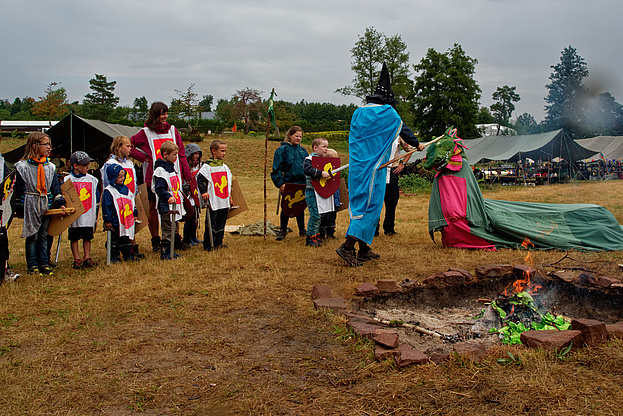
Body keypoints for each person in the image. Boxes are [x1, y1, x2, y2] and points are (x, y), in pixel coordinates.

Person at [336, 63, 424, 267]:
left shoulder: (358, 113)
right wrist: (417, 144)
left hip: (359, 168)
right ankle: (348, 247)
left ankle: (364, 248)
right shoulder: (387, 113)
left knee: (361, 204)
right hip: (374, 169)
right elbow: (404, 129)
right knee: (370, 207)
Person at [130, 102, 191, 252]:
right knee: (153, 209)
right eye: (162, 114)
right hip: (154, 176)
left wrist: (187, 174)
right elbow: (129, 145)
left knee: (175, 205)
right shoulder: (145, 132)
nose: (165, 117)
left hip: (173, 175)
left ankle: (175, 238)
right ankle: (156, 240)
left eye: (166, 113)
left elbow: (181, 153)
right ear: (155, 114)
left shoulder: (172, 131)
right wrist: (145, 157)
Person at [12, 132, 66, 276]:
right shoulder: (22, 167)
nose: (49, 147)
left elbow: (55, 188)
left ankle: (44, 262)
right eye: (45, 144)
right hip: (30, 203)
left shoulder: (50, 167)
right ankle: (32, 265)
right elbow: (19, 189)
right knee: (32, 236)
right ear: (35, 146)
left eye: (49, 144)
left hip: (45, 203)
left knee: (43, 235)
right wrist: (18, 207)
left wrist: (60, 202)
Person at [101, 135, 144, 258]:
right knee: (118, 227)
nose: (130, 148)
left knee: (129, 224)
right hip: (116, 200)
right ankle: (114, 250)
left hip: (128, 198)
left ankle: (131, 248)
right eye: (128, 146)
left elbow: (133, 182)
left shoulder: (130, 163)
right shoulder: (110, 164)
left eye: (131, 146)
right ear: (119, 147)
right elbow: (106, 183)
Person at [271, 126, 308, 241]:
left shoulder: (303, 151)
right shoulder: (281, 150)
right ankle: (283, 230)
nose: (298, 138)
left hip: (301, 183)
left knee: (300, 206)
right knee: (287, 206)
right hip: (288, 183)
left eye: (300, 136)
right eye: (296, 136)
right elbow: (276, 169)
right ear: (290, 135)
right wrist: (280, 184)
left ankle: (302, 229)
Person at [65, 151, 100, 269]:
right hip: (74, 216)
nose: (87, 167)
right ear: (75, 166)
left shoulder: (92, 180)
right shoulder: (67, 180)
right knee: (74, 237)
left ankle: (87, 257)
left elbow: (96, 197)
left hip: (88, 214)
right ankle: (77, 259)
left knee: (87, 237)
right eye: (84, 165)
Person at [152, 141, 185, 260]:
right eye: (174, 155)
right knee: (167, 229)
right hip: (166, 206)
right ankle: (165, 252)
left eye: (177, 154)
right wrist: (168, 197)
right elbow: (159, 189)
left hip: (175, 205)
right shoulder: (160, 170)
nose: (176, 157)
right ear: (165, 155)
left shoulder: (172, 168)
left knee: (174, 227)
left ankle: (172, 250)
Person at [197, 140, 232, 251]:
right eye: (222, 151)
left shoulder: (224, 167)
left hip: (223, 200)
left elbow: (229, 183)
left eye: (225, 151)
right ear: (213, 151)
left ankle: (218, 241)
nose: (224, 153)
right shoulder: (207, 167)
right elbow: (200, 179)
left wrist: (230, 197)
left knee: (221, 221)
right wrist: (203, 192)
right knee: (212, 222)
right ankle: (208, 243)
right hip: (213, 199)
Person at [376, 137, 413, 236]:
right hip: (378, 171)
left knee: (392, 201)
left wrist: (403, 163)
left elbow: (410, 149)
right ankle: (374, 229)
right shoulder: (378, 130)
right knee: (375, 201)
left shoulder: (398, 134)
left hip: (393, 170)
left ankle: (389, 229)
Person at [102, 164, 139, 262]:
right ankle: (114, 257)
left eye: (123, 176)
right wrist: (107, 220)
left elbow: (132, 202)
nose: (122, 179)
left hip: (126, 220)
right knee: (115, 239)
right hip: (115, 221)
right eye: (119, 177)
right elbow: (107, 207)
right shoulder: (108, 191)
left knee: (126, 239)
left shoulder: (126, 189)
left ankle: (128, 256)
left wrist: (134, 213)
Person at [303, 138, 332, 247]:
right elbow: (307, 170)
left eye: (327, 146)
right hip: (311, 191)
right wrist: (320, 173)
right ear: (315, 147)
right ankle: (310, 237)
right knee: (315, 215)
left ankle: (316, 235)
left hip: (321, 191)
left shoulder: (324, 160)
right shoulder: (309, 159)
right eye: (323, 146)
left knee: (320, 215)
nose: (326, 149)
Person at [1, 150, 19, 283]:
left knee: (2, 237)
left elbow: (7, 183)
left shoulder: (2, 161)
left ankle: (4, 269)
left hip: (1, 205)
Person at [182, 143, 203, 246]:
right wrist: (187, 187)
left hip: (196, 195)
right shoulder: (184, 167)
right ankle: (187, 238)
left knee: (196, 216)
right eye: (195, 154)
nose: (197, 156)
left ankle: (193, 236)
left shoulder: (199, 165)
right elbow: (182, 181)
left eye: (198, 154)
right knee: (190, 217)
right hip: (189, 195)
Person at [319, 148, 341, 241]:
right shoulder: (323, 171)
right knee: (325, 217)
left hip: (334, 197)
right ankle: (322, 234)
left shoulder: (335, 170)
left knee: (333, 216)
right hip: (326, 197)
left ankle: (331, 233)